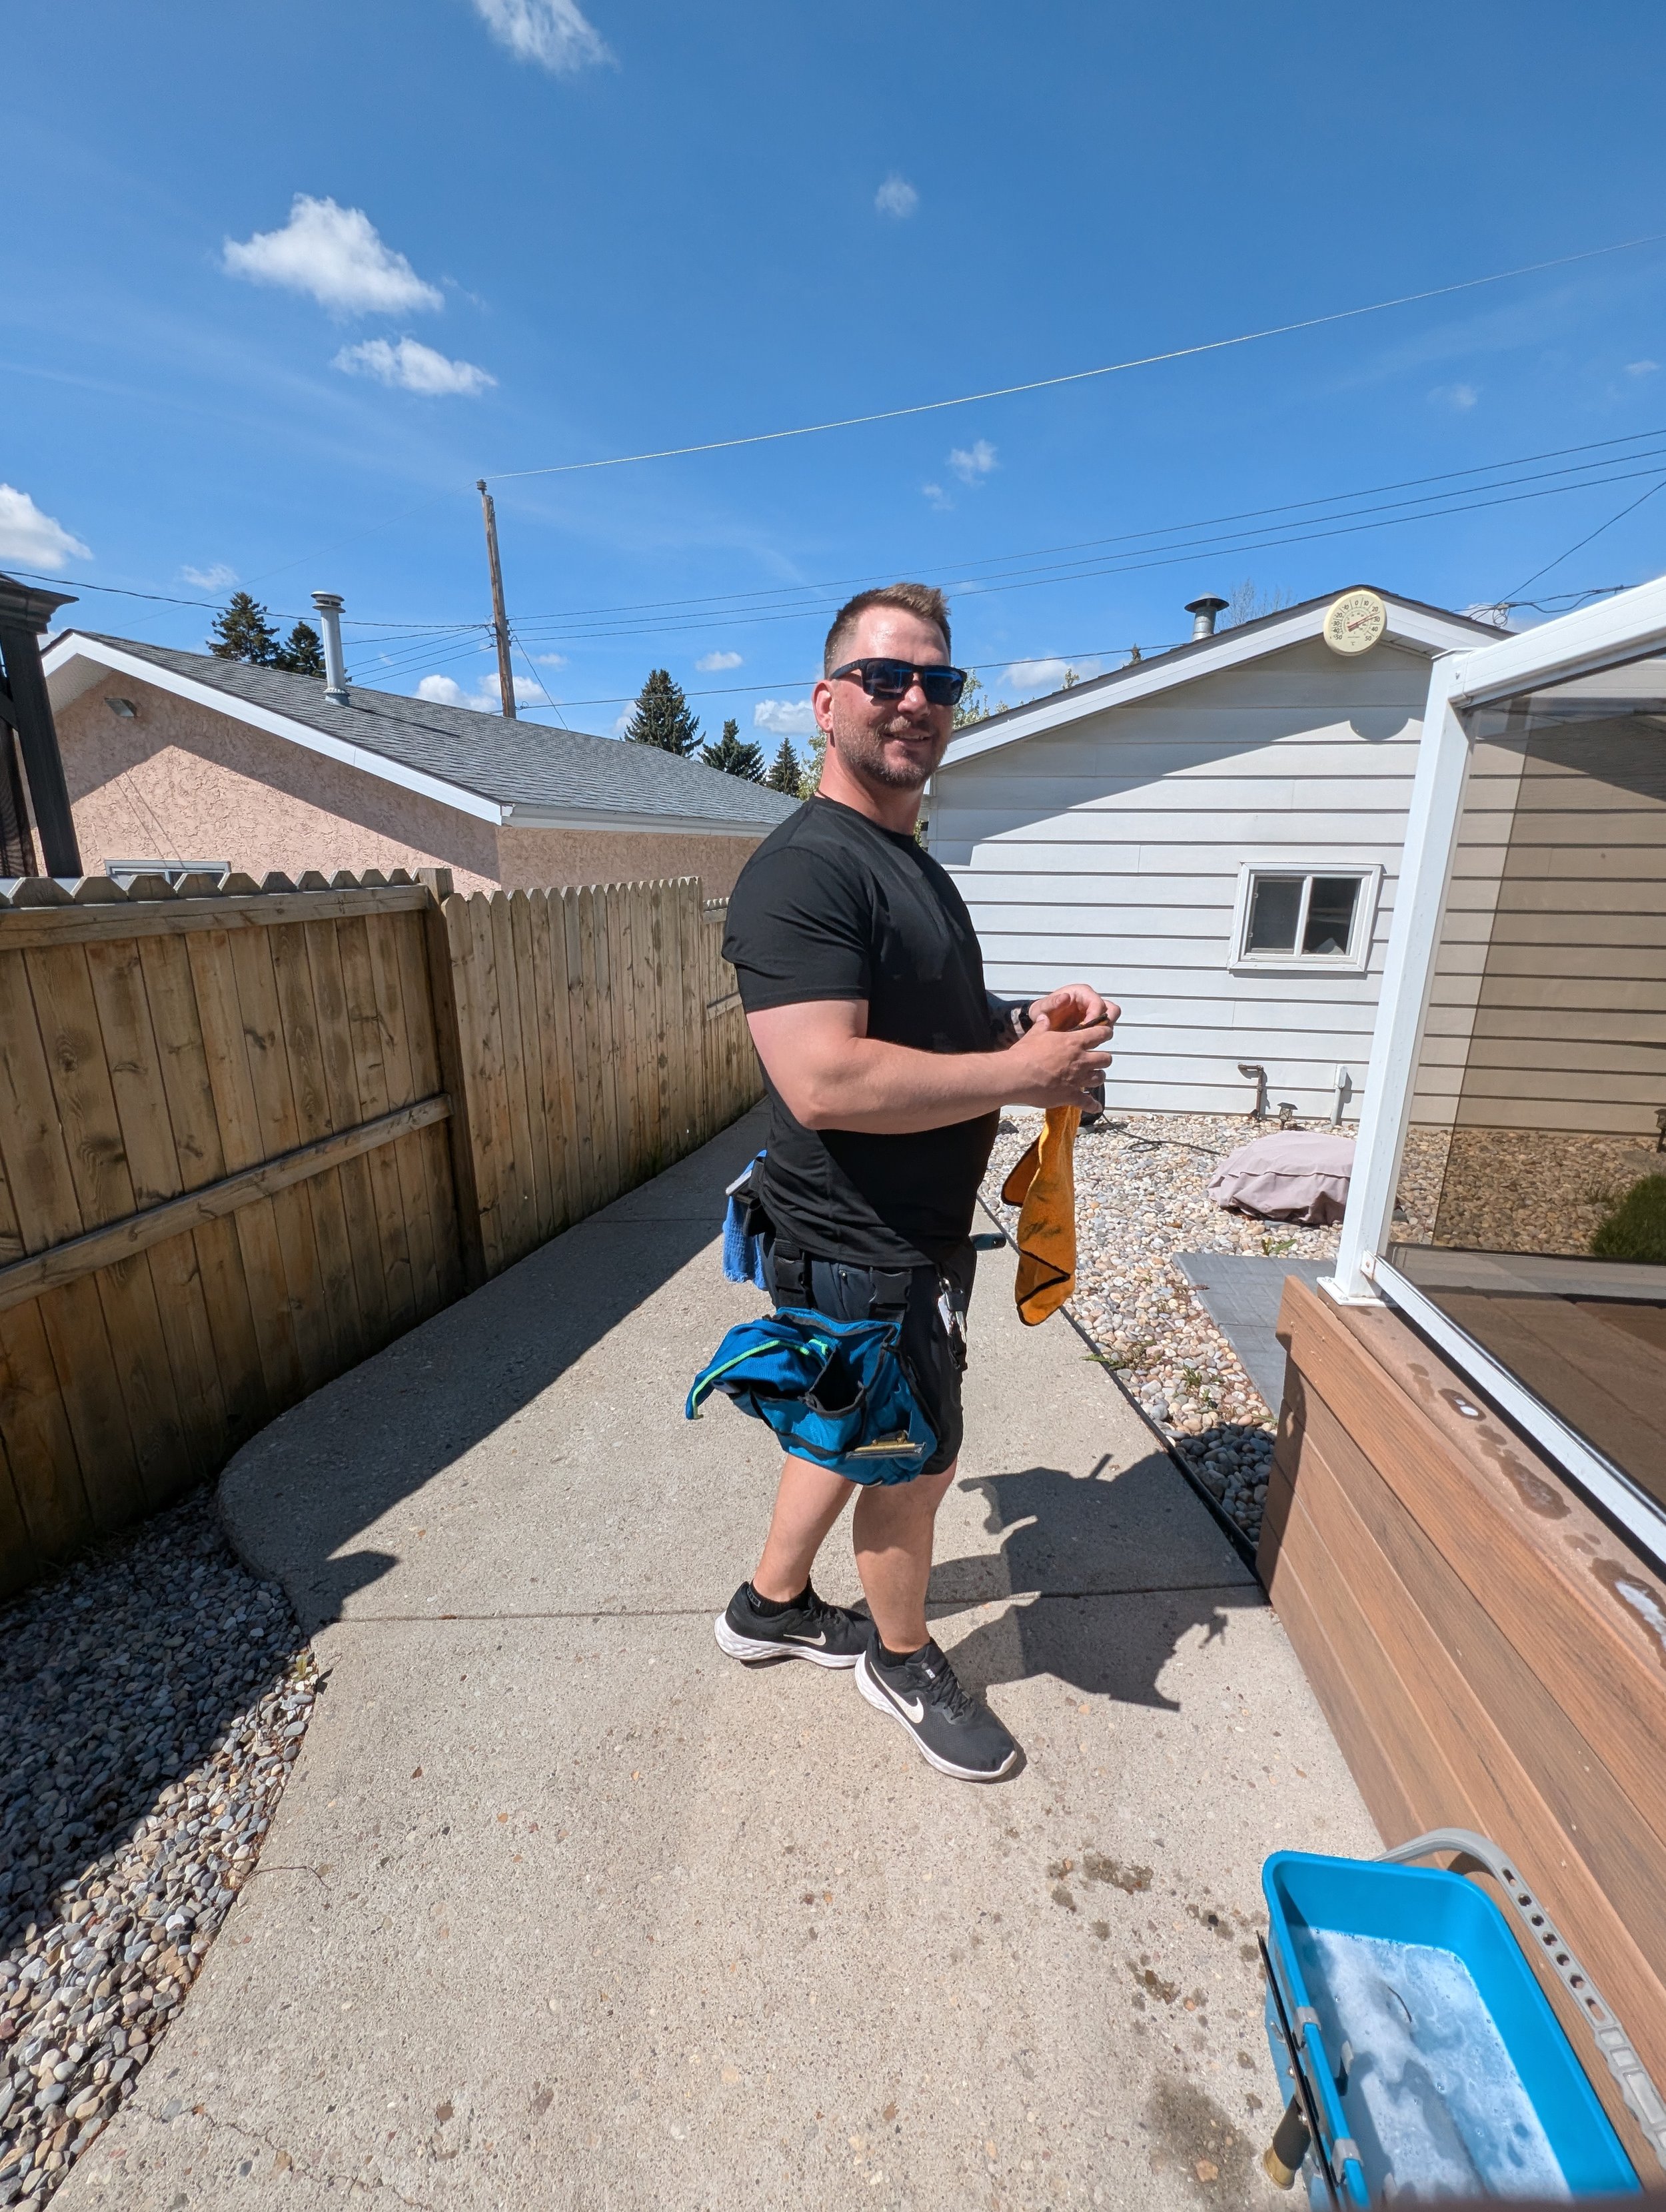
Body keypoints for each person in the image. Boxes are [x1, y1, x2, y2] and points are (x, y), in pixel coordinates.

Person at [716, 582, 1118, 1782]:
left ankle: (769, 1606)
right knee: (914, 1461)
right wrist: (1022, 1075)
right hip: (867, 1244)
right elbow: (825, 1078)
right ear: (824, 702)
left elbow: (929, 1019)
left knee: (838, 1426)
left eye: (937, 682)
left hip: (895, 1234)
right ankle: (900, 1658)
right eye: (885, 677)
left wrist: (1021, 1025)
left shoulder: (905, 861)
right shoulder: (804, 873)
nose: (914, 701)